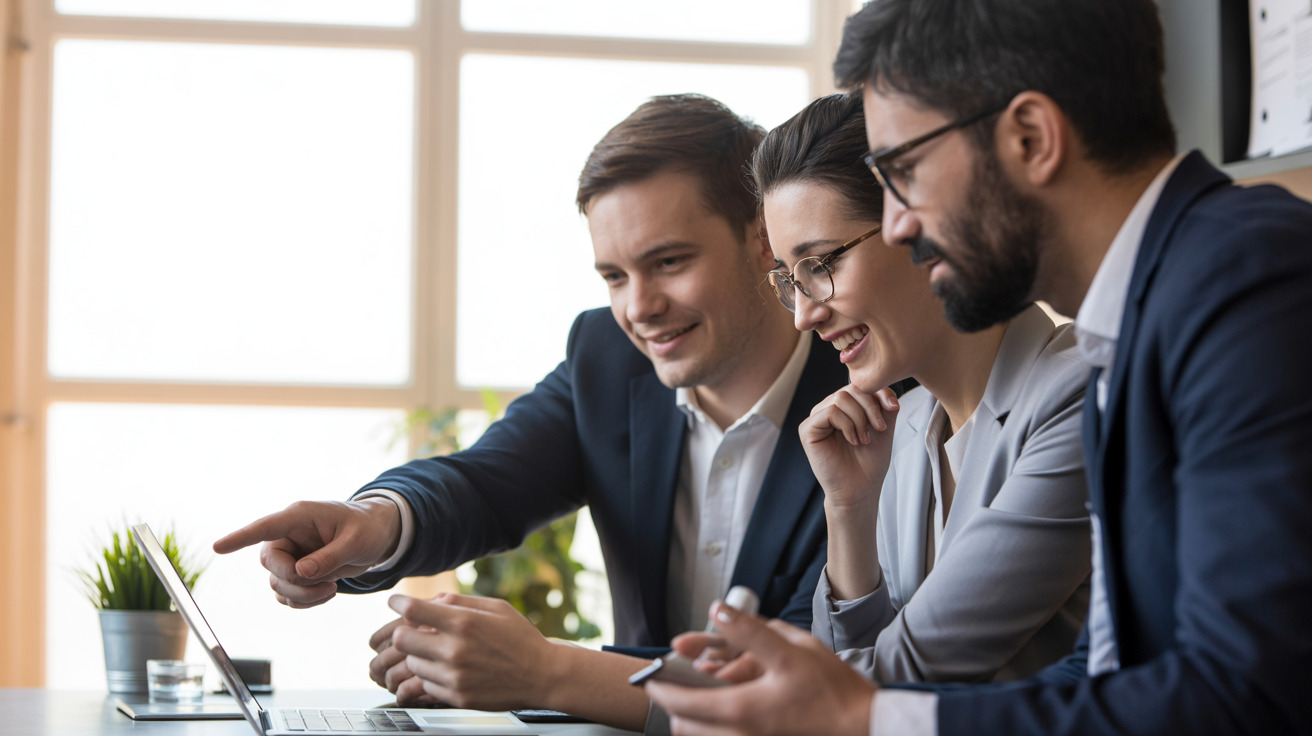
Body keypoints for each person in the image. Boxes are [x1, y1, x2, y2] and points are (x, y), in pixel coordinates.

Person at [645, 1, 1312, 734]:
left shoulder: (1248, 280)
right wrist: (858, 709)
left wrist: (861, 716)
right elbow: (1107, 672)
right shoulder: (1134, 328)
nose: (900, 224)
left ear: (1031, 138)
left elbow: (1247, 693)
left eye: (905, 171)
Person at [213, 94, 849, 731]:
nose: (639, 308)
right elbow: (487, 483)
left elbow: (810, 678)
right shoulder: (607, 356)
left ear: (763, 239)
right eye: (614, 276)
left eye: (668, 262)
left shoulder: (866, 400)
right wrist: (374, 522)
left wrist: (543, 671)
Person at [681, 91, 1089, 687]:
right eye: (789, 281)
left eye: (822, 264)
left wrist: (750, 684)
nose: (804, 315)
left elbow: (907, 673)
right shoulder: (902, 425)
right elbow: (857, 674)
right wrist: (849, 510)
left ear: (919, 228)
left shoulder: (1077, 396)